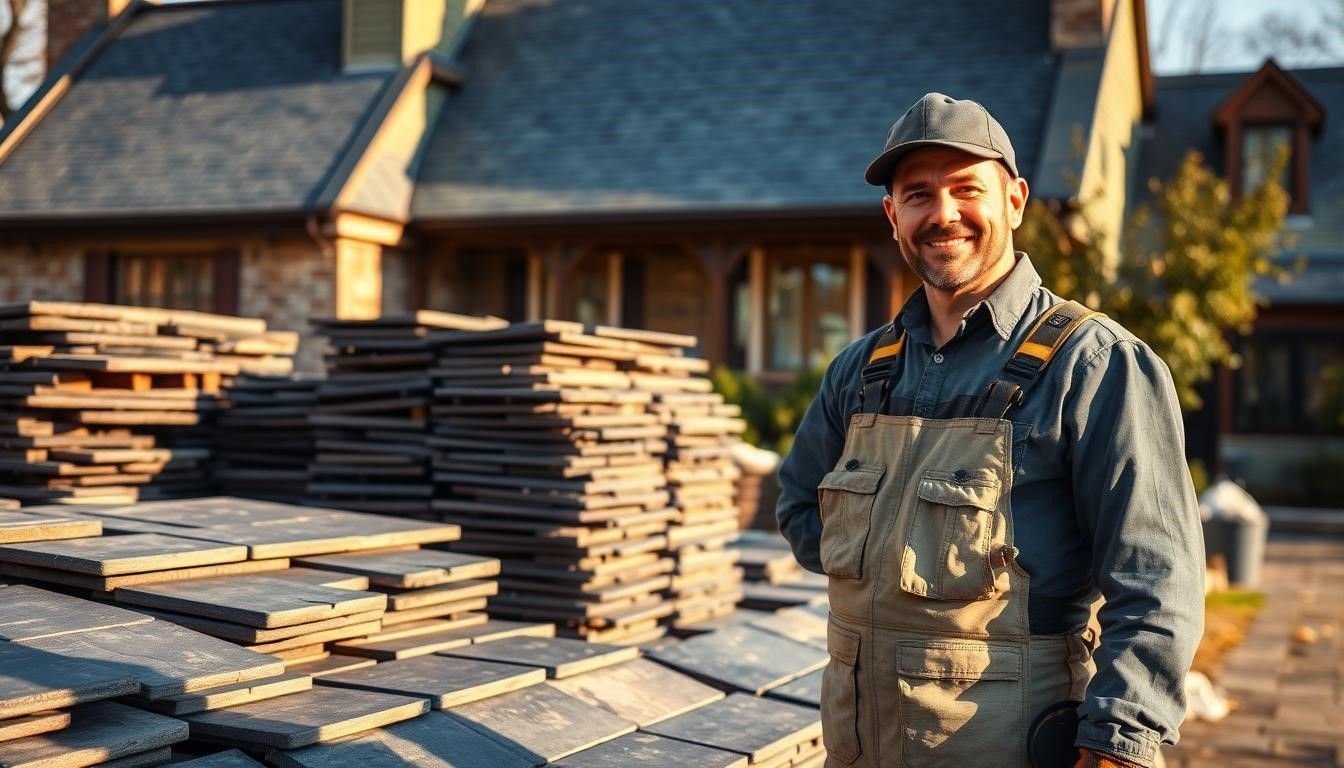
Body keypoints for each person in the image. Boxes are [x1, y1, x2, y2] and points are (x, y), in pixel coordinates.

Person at [775, 92, 1204, 768]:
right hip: (857, 749)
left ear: (1014, 200)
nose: (942, 215)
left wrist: (1121, 741)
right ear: (893, 217)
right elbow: (800, 510)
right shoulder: (858, 372)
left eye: (965, 188)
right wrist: (886, 562)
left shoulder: (1096, 364)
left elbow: (1156, 580)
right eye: (918, 195)